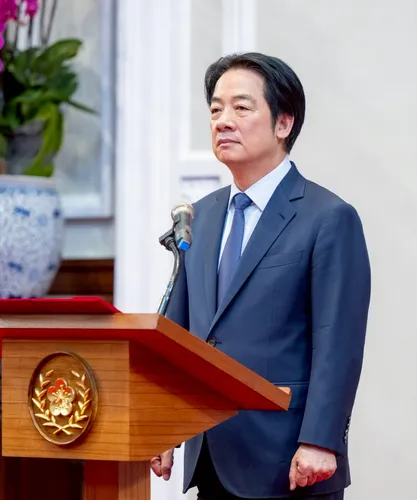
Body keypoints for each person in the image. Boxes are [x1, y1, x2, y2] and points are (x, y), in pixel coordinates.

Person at [150, 52, 371, 500]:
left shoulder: (327, 217)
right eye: (215, 109)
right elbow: (177, 334)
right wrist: (162, 423)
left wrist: (321, 440)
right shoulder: (199, 217)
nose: (223, 121)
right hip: (211, 454)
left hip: (289, 461)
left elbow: (338, 342)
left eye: (241, 108)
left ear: (283, 123)